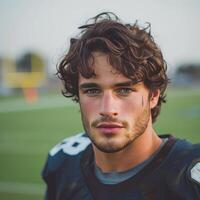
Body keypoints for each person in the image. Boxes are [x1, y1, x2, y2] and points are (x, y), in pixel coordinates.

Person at [42, 12, 200, 200]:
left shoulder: (189, 177)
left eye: (124, 90)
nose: (108, 109)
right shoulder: (63, 164)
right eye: (92, 90)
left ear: (153, 95)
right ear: (78, 95)